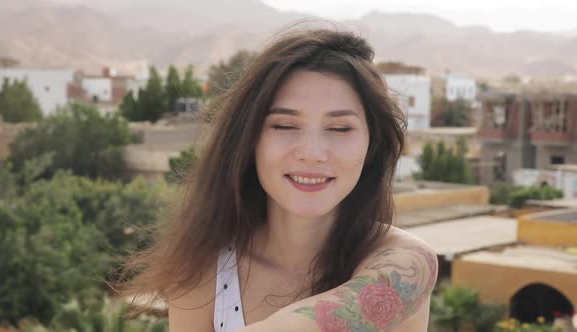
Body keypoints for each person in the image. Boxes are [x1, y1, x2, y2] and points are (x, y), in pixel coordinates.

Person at [117, 25, 438, 332]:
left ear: (372, 144)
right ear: (249, 139)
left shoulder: (406, 263)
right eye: (284, 125)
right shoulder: (205, 269)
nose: (312, 153)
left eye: (340, 128)